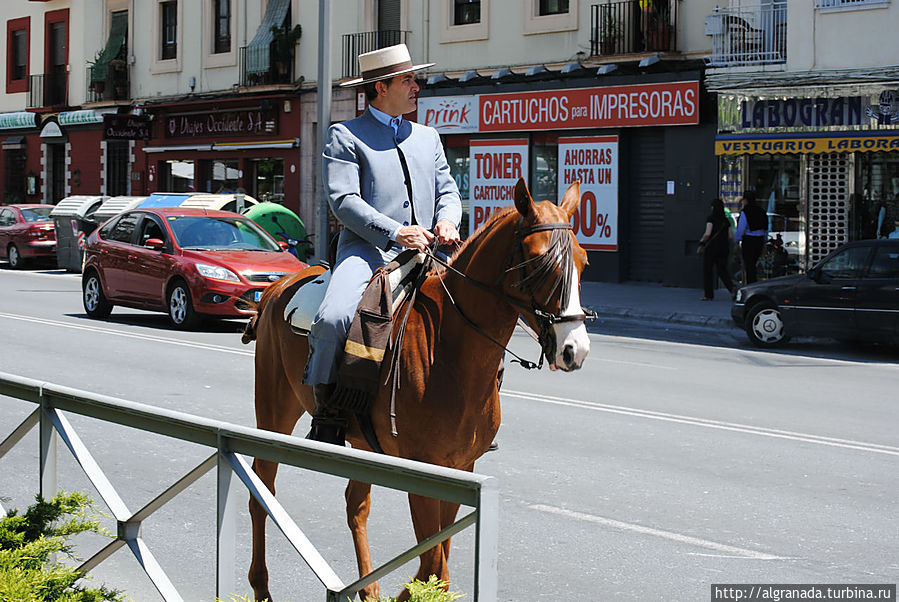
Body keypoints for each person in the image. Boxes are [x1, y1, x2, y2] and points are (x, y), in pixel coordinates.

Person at [304, 43, 462, 445]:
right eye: (407, 79)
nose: (416, 86)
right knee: (335, 318)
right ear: (380, 88)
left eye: (414, 78)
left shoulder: (428, 137)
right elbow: (344, 201)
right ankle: (328, 411)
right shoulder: (345, 136)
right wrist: (395, 231)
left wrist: (447, 220)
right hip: (368, 252)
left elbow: (448, 190)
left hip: (428, 253)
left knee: (477, 310)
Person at [698, 198, 734, 301]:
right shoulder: (726, 220)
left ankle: (708, 295)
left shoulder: (711, 218)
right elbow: (730, 236)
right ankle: (732, 288)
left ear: (713, 207)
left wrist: (701, 242)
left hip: (712, 248)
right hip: (724, 248)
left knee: (708, 271)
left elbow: (707, 233)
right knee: (722, 270)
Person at [734, 190, 768, 284]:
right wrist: (765, 242)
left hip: (749, 240)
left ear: (745, 200)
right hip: (759, 240)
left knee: (749, 265)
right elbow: (766, 228)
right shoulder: (761, 211)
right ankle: (754, 284)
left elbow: (741, 228)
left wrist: (737, 241)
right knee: (754, 264)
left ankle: (751, 285)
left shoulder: (745, 212)